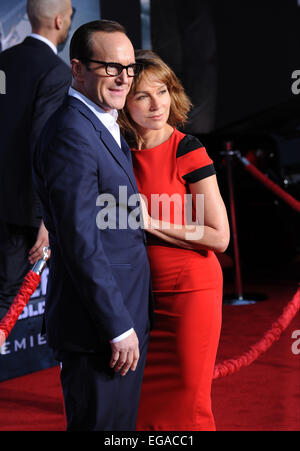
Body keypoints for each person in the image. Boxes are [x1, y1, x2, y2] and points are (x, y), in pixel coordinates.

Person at [32, 20, 153, 431]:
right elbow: (80, 240)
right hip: (100, 327)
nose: (124, 78)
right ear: (78, 69)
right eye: (110, 67)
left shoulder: (102, 122)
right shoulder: (72, 133)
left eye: (129, 67)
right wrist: (117, 326)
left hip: (120, 312)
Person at [118, 49, 230, 431]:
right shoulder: (118, 151)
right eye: (143, 96)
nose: (156, 105)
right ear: (123, 102)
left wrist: (150, 222)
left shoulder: (188, 149)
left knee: (188, 401)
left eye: (163, 91)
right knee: (144, 406)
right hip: (137, 295)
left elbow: (219, 237)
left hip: (190, 294)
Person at [0, 0, 73, 321]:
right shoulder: (55, 72)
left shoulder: (3, 63)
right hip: (21, 211)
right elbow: (45, 145)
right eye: (70, 15)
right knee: (5, 297)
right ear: (59, 21)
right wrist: (48, 216)